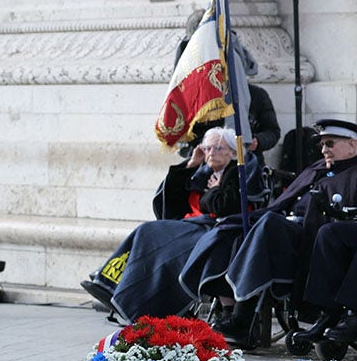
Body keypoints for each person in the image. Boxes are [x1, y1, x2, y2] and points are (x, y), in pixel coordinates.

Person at [181, 119, 357, 345]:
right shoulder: (317, 168)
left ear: (352, 145)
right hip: (284, 225)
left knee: (268, 225)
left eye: (330, 143)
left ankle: (242, 318)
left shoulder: (353, 173)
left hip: (311, 236)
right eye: (321, 144)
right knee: (232, 229)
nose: (324, 150)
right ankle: (228, 309)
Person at [81, 127, 255, 322]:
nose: (211, 153)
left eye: (218, 148)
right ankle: (109, 282)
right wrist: (191, 165)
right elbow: (172, 199)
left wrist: (214, 190)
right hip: (190, 224)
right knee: (146, 231)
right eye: (207, 148)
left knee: (163, 242)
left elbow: (224, 207)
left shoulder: (238, 172)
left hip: (214, 228)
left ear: (233, 152)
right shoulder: (203, 172)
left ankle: (134, 297)